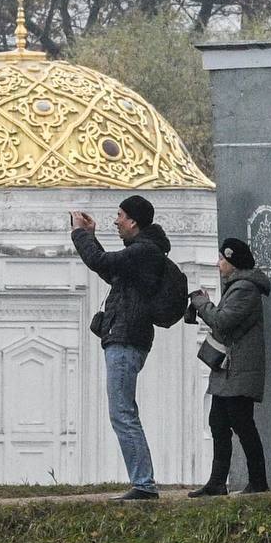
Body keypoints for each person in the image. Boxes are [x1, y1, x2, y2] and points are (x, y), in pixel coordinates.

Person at [69, 194, 180, 502]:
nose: (115, 221)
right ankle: (142, 482)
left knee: (123, 413)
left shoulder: (144, 252)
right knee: (122, 411)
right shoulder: (142, 253)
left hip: (127, 339)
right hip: (126, 337)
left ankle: (143, 484)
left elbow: (100, 262)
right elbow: (110, 270)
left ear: (133, 220)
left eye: (119, 215)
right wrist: (91, 238)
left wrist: (79, 233)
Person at [188, 238, 271, 496]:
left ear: (233, 262)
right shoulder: (236, 287)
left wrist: (202, 303)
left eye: (222, 260)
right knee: (218, 422)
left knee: (242, 423)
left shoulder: (244, 289)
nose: (218, 263)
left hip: (238, 370)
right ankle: (216, 482)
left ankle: (258, 481)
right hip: (228, 371)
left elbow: (223, 321)